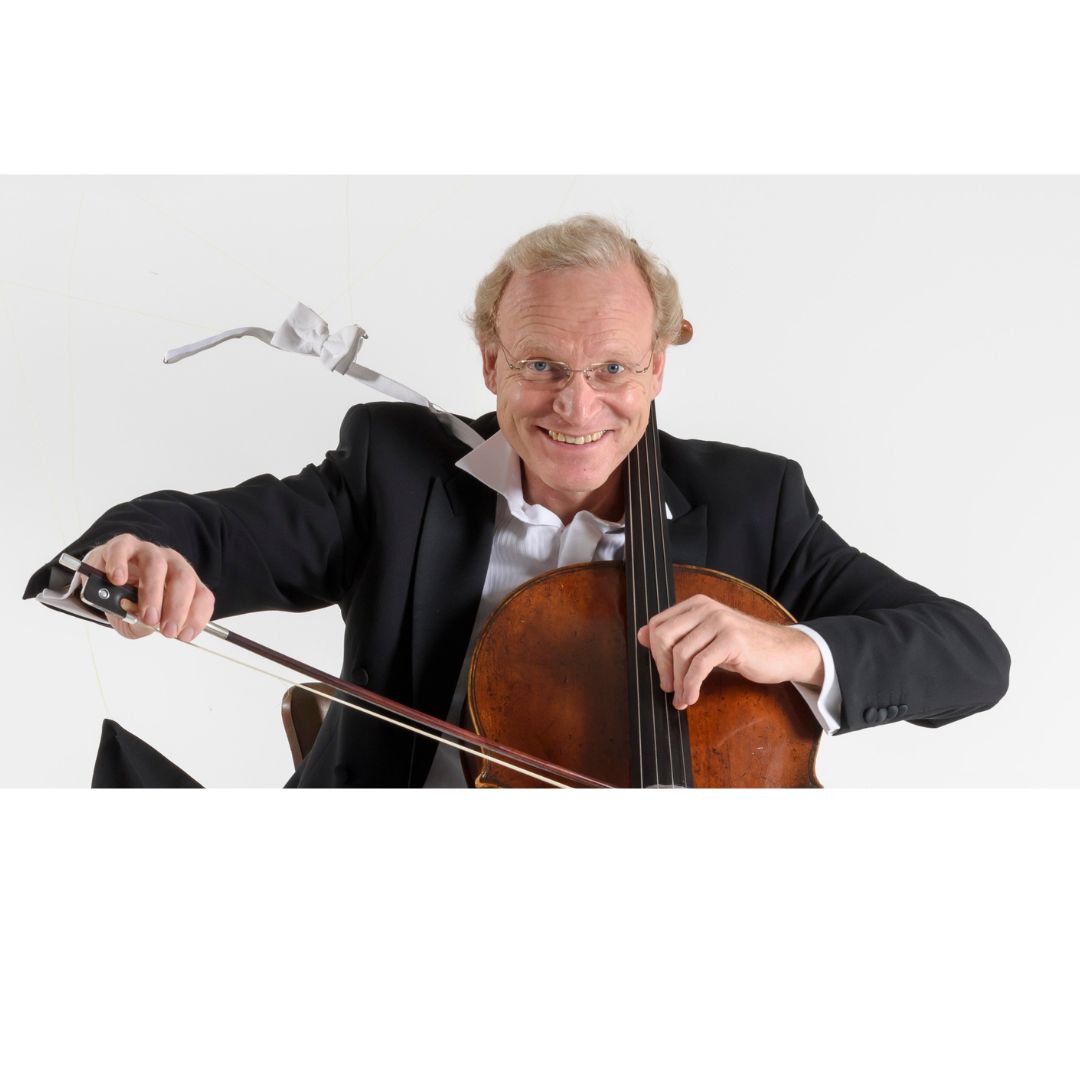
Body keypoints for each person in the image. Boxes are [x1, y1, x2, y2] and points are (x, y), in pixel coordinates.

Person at [25, 215, 1010, 786]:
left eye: (612, 367)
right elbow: (211, 533)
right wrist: (143, 552)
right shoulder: (396, 472)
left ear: (657, 368)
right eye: (541, 365)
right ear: (491, 362)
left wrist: (791, 647)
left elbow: (970, 656)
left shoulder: (757, 502)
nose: (577, 406)